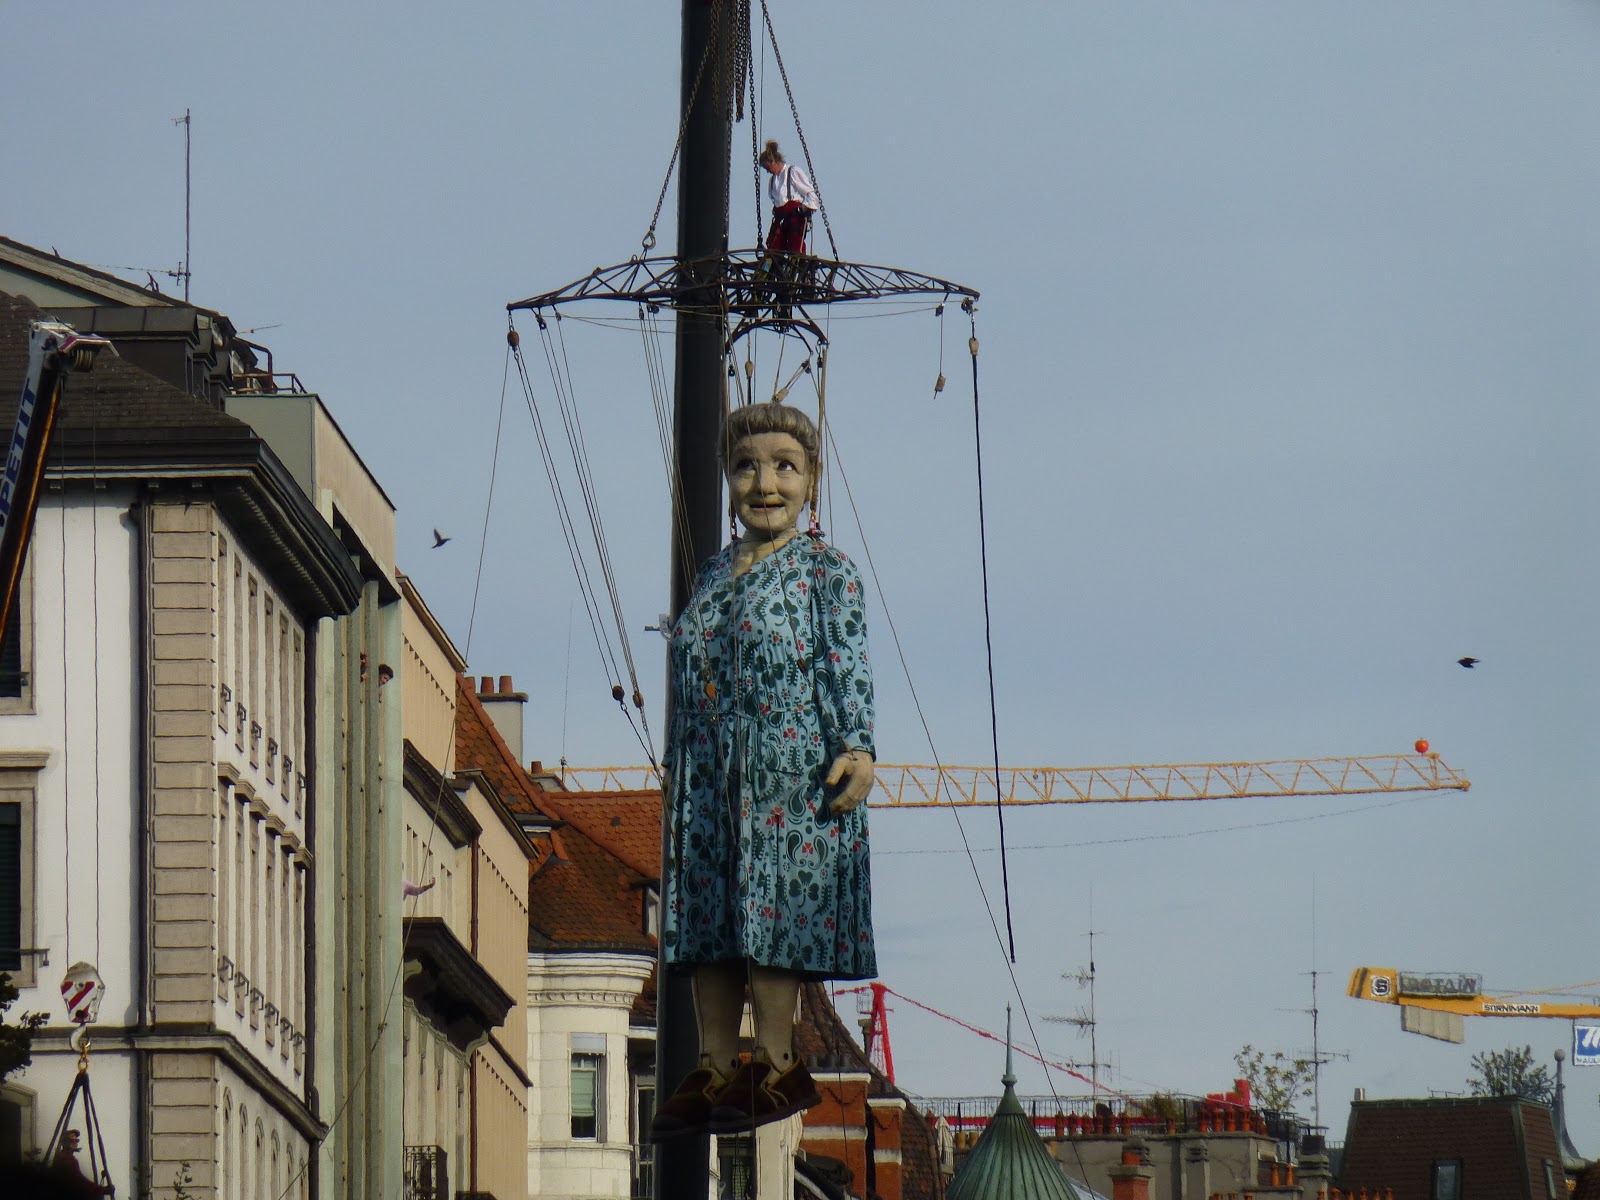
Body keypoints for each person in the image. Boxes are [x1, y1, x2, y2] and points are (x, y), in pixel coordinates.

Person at [651, 401, 876, 1141]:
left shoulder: (825, 571)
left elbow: (846, 662)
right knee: (712, 913)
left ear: (812, 479)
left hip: (785, 770)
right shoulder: (713, 572)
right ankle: (715, 1059)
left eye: (785, 465)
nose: (764, 483)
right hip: (710, 773)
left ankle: (777, 1056)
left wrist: (858, 744)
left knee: (771, 910)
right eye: (747, 466)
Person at [760, 140, 818, 257]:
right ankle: (771, 269)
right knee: (774, 248)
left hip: (794, 215)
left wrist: (807, 208)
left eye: (767, 167)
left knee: (795, 247)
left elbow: (810, 192)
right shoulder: (772, 181)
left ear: (773, 162)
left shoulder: (792, 172)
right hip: (780, 217)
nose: (767, 171)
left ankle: (797, 266)